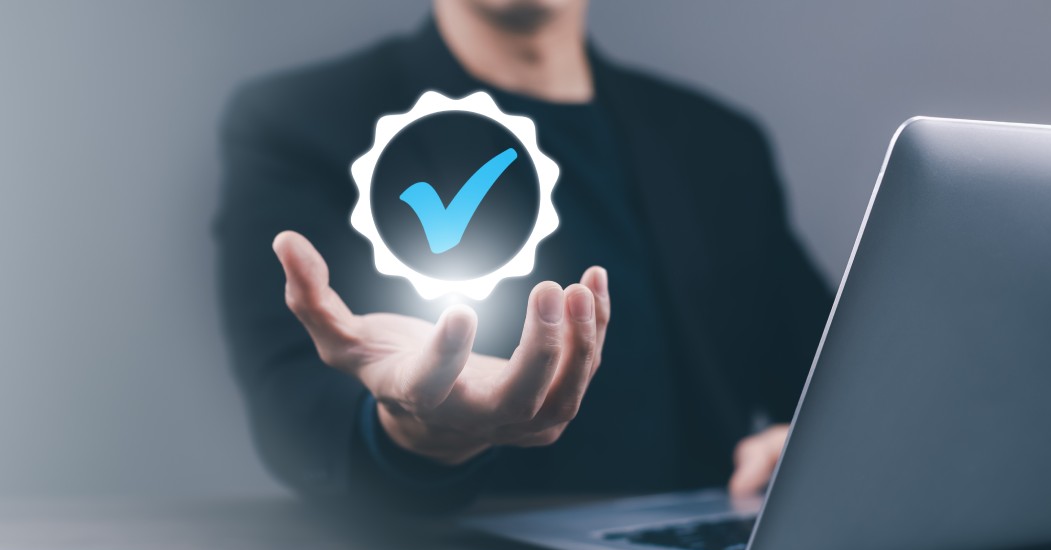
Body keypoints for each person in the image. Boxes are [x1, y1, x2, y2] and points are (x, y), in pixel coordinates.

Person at [213, 0, 833, 513]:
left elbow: (830, 375)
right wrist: (419, 431)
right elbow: (293, 404)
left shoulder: (718, 145)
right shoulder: (301, 122)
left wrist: (817, 447)